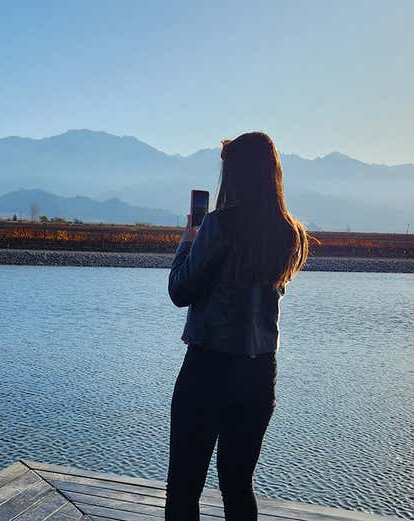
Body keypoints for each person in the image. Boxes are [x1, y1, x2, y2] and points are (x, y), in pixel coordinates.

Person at [165, 132, 309, 521]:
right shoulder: (289, 232)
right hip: (260, 374)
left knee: (184, 485)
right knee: (237, 484)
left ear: (235, 174)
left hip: (209, 367)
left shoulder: (218, 225)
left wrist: (187, 240)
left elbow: (180, 290)